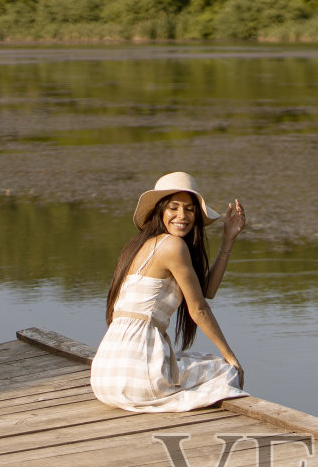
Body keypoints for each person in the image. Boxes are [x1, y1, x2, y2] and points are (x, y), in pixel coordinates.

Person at [90, 172, 248, 412]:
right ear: (160, 210)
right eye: (173, 208)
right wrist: (231, 357)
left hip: (104, 378)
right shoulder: (173, 246)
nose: (182, 216)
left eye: (189, 209)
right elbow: (199, 308)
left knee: (196, 360)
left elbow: (205, 291)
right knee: (224, 371)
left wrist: (228, 239)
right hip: (138, 376)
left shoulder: (138, 246)